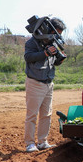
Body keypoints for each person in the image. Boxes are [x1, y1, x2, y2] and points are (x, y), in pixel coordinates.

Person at [24, 17, 66, 152]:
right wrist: (45, 53)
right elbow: (28, 57)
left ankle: (42, 141)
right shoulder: (32, 42)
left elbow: (53, 62)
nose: (57, 36)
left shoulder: (53, 42)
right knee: (32, 115)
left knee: (46, 114)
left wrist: (59, 59)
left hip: (48, 83)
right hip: (35, 82)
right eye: (56, 33)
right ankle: (30, 143)